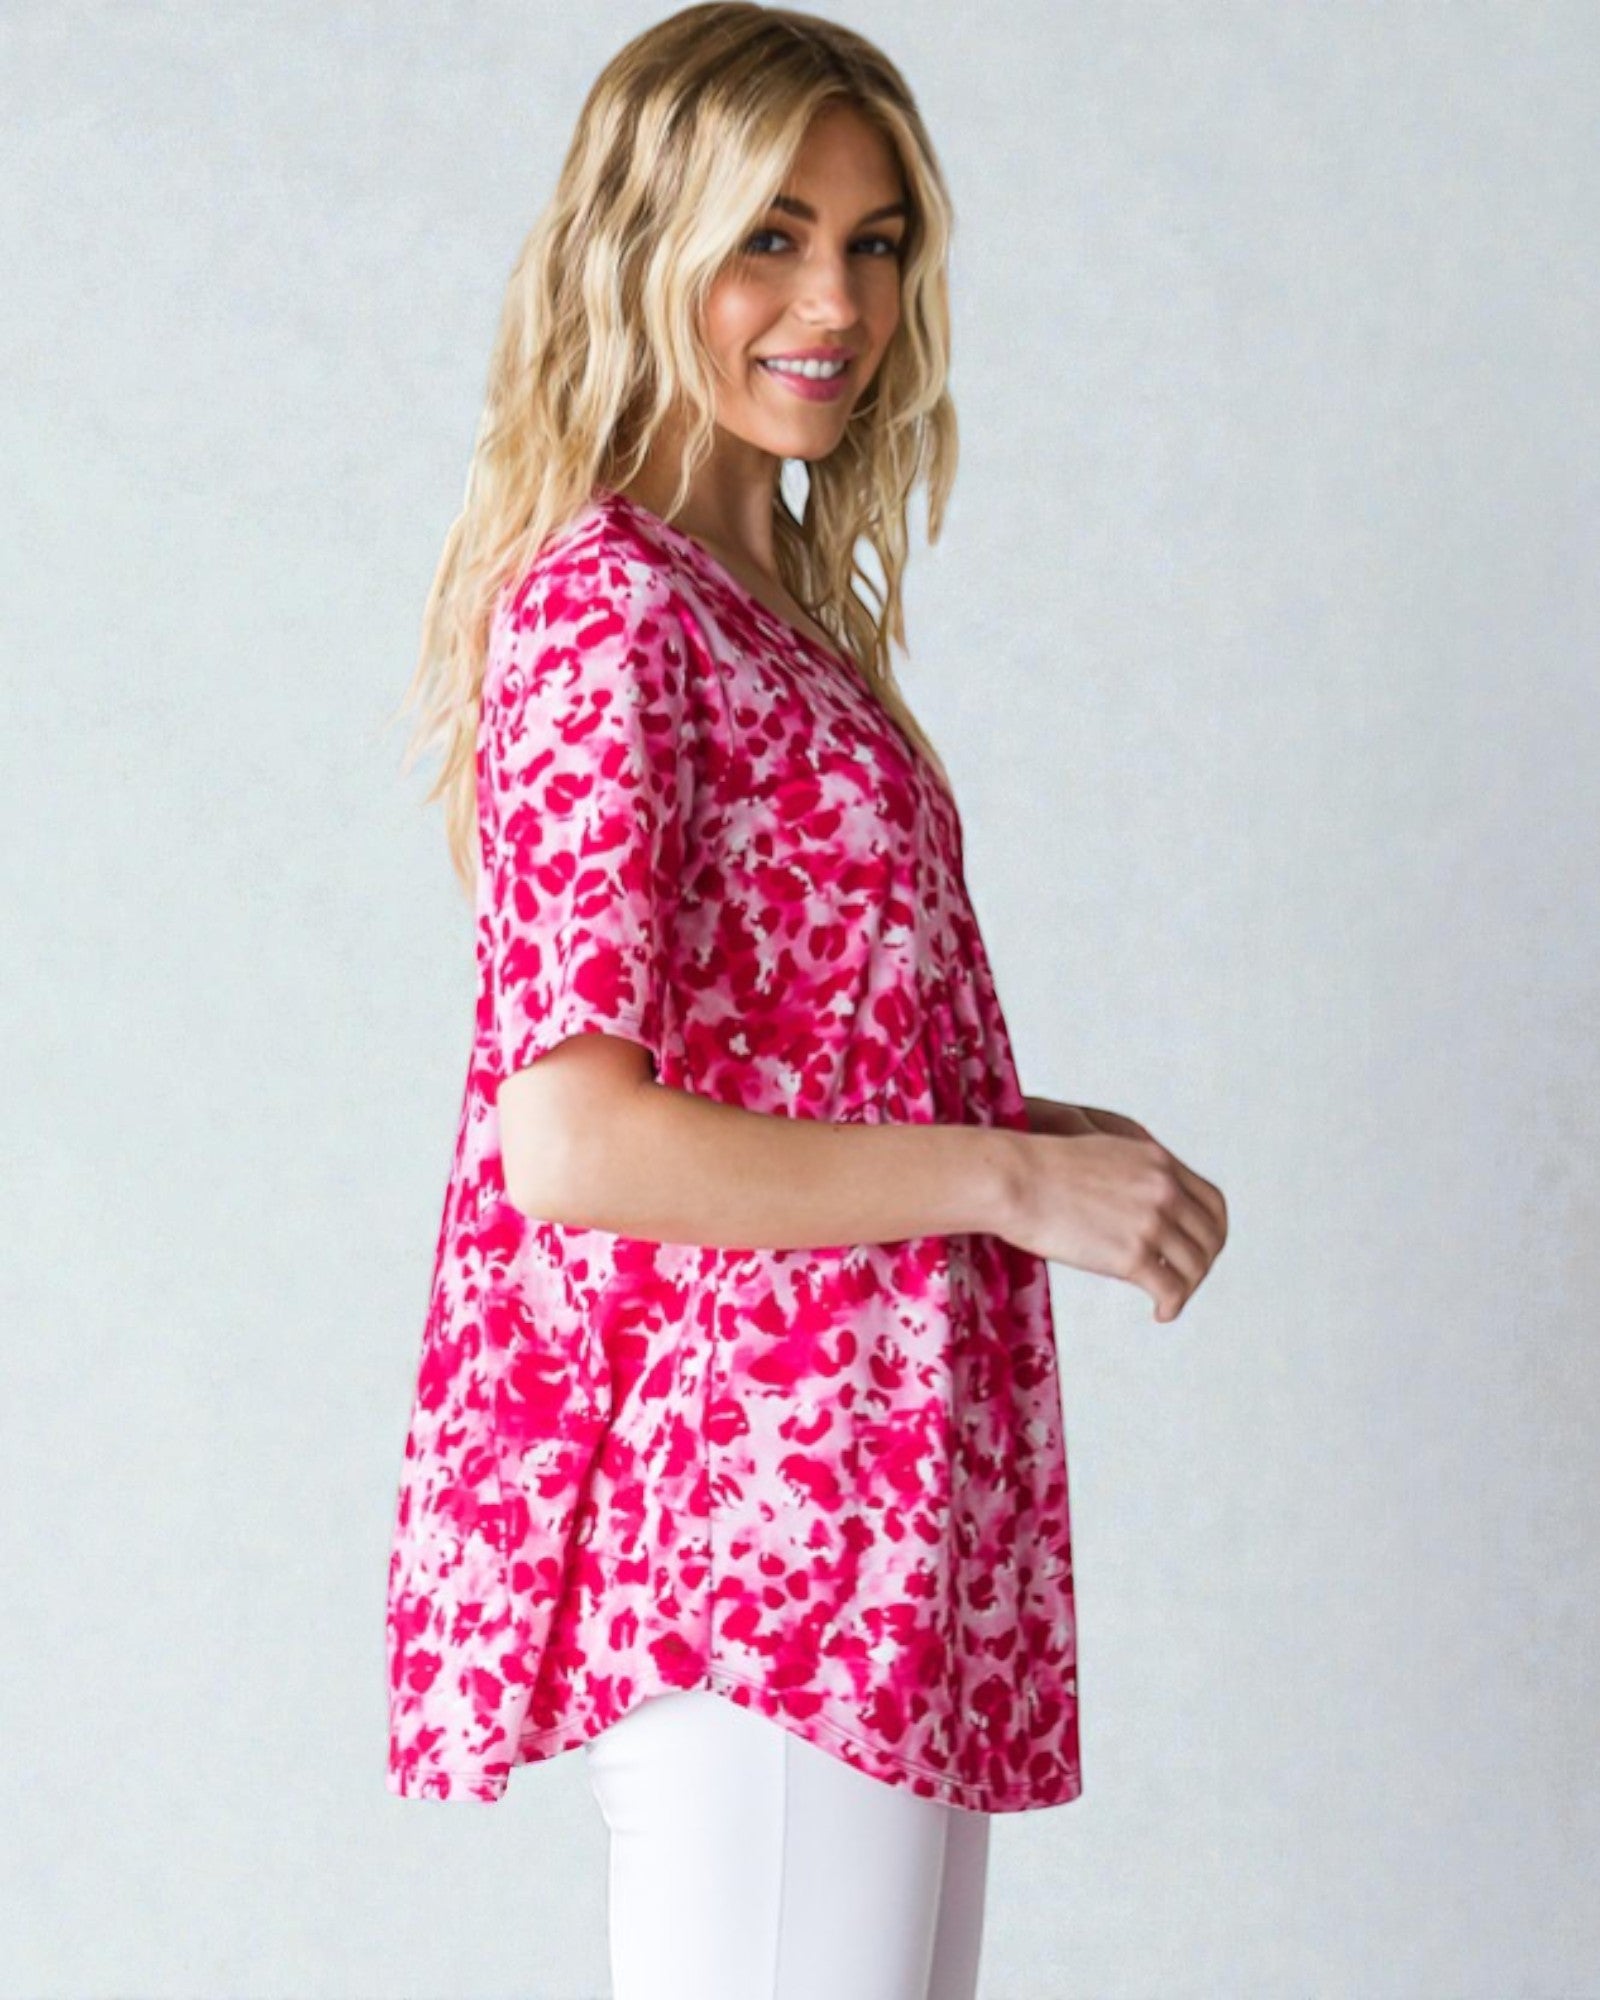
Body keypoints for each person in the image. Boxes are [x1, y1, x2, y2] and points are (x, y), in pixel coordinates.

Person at [383, 8, 1228, 1997]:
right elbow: (570, 1133)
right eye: (768, 234)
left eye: (872, 242)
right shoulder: (611, 609)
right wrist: (999, 1191)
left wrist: (1024, 1143)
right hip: (749, 1524)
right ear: (640, 245)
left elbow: (783, 1055)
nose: (831, 299)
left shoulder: (750, 608)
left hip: (854, 1521)